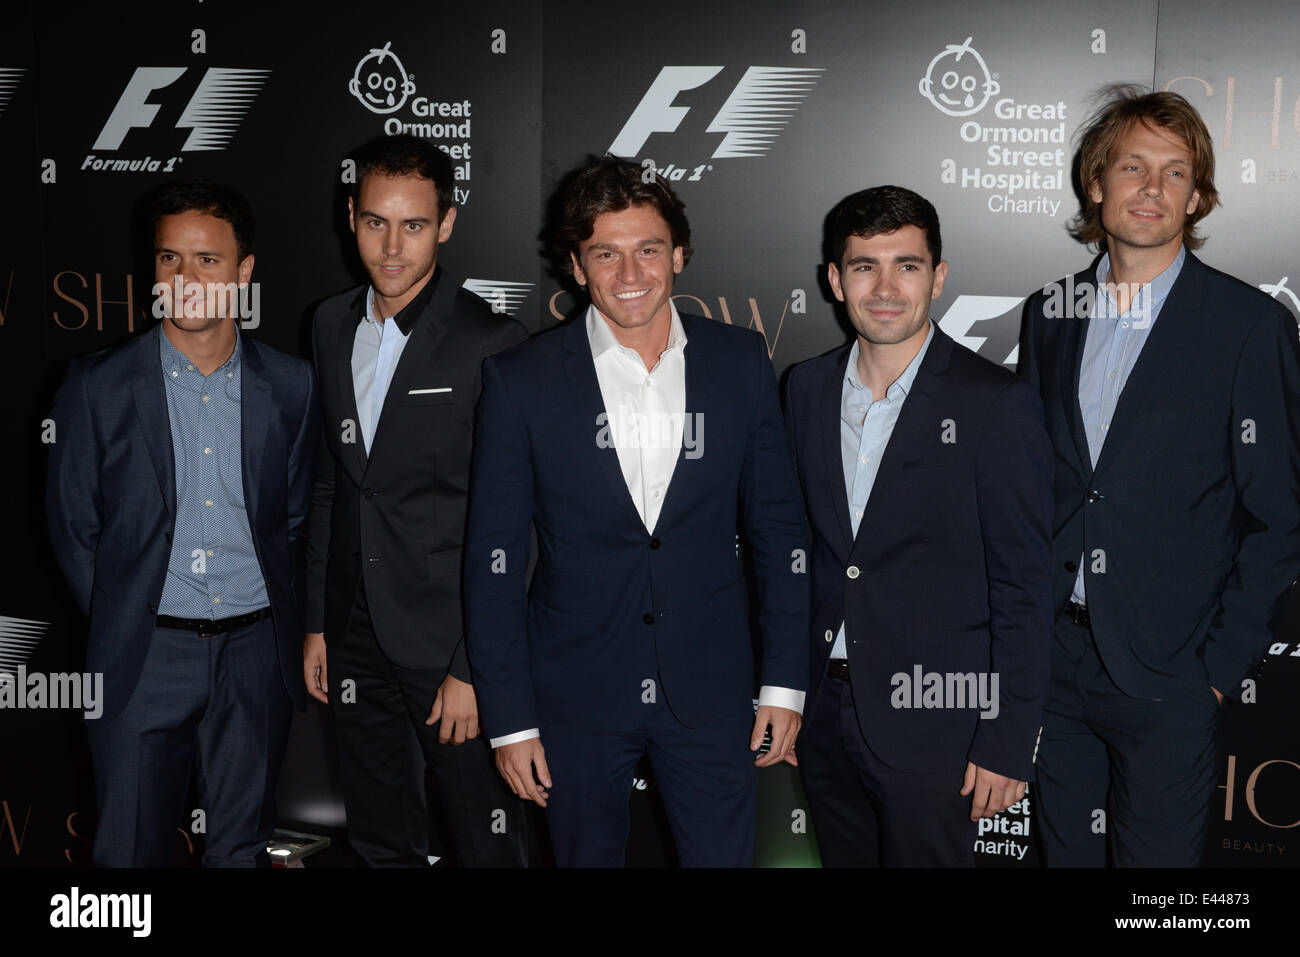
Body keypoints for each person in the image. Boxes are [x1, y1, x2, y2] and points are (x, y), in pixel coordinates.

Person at [464, 156, 809, 866]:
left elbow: (779, 536)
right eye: (606, 253)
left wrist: (783, 683)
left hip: (713, 692)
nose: (630, 273)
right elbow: (492, 563)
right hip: (573, 695)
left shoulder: (740, 362)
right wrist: (510, 722)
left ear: (679, 254)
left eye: (648, 249)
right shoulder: (520, 380)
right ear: (576, 263)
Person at [1018, 86, 1300, 866]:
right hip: (1056, 660)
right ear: (1095, 182)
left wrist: (1213, 673)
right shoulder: (1051, 313)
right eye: (1132, 166)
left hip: (1171, 672)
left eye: (1174, 173)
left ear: (1198, 196)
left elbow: (1279, 516)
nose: (1151, 188)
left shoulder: (1249, 326)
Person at [46, 180, 317, 866]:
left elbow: (294, 520)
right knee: (128, 854)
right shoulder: (96, 385)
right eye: (170, 260)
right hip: (142, 660)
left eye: (207, 260)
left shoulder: (292, 386)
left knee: (240, 852)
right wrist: (129, 616)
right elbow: (74, 527)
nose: (186, 279)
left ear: (244, 272)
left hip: (255, 657)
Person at [784, 185, 1054, 866]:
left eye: (905, 265)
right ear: (833, 279)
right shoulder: (804, 389)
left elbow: (1025, 585)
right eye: (863, 265)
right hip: (822, 716)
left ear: (937, 276)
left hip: (939, 728)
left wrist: (1007, 738)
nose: (883, 287)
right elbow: (797, 554)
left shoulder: (995, 403)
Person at [303, 134, 531, 867]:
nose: (392, 247)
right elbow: (333, 482)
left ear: (448, 223)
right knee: (378, 833)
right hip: (354, 630)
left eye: (414, 225)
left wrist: (474, 663)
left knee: (486, 836)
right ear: (350, 216)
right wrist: (318, 622)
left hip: (448, 642)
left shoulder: (490, 341)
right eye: (375, 222)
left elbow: (515, 518)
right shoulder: (330, 324)